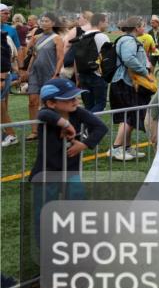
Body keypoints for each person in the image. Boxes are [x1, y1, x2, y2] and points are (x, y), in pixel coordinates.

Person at [29, 78, 108, 237]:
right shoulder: (47, 114)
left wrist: (84, 144)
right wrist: (66, 124)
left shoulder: (78, 112)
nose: (76, 100)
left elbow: (101, 127)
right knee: (44, 211)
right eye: (69, 98)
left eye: (76, 96)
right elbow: (43, 113)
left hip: (71, 170)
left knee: (78, 203)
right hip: (46, 172)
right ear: (51, 103)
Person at [108, 17, 150, 161]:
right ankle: (116, 148)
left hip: (125, 82)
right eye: (143, 26)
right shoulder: (128, 41)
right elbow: (129, 59)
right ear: (137, 27)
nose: (144, 28)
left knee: (130, 115)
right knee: (129, 116)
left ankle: (126, 147)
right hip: (125, 82)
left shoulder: (127, 40)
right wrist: (146, 73)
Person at [25, 12, 66, 141]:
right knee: (32, 101)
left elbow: (60, 57)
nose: (43, 23)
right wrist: (27, 70)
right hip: (35, 73)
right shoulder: (36, 37)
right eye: (42, 20)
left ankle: (53, 128)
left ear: (53, 23)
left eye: (46, 21)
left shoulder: (57, 38)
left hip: (50, 73)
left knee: (50, 102)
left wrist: (56, 73)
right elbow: (32, 55)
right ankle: (35, 130)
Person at [74, 13, 112, 113]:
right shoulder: (102, 37)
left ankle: (86, 127)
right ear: (100, 22)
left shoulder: (82, 36)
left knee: (88, 105)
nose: (107, 24)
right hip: (97, 75)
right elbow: (106, 58)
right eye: (106, 22)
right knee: (100, 104)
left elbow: (76, 57)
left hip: (82, 74)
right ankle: (87, 124)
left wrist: (77, 75)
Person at [1, 4, 23, 146]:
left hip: (2, 75)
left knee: (1, 107)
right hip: (5, 74)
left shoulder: (6, 34)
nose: (7, 15)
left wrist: (3, 77)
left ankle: (10, 134)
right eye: (4, 13)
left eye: (8, 13)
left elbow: (8, 57)